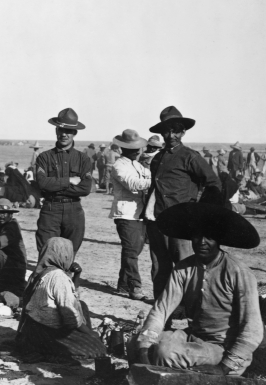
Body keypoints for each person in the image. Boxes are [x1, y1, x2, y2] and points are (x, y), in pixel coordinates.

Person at [128, 200, 262, 376]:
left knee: (166, 352)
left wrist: (223, 367)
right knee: (136, 344)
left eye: (210, 237)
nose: (202, 242)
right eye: (197, 236)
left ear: (219, 240)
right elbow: (161, 310)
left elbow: (253, 329)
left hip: (225, 348)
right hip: (194, 337)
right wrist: (144, 345)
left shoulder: (237, 272)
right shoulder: (184, 268)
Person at [144, 106, 221, 299]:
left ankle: (190, 314)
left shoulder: (190, 157)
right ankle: (163, 314)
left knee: (186, 266)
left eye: (175, 130)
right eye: (167, 131)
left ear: (183, 131)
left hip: (182, 223)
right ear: (162, 133)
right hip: (157, 220)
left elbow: (213, 183)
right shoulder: (157, 159)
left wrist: (199, 212)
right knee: (160, 268)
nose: (171, 135)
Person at [16, 237, 106, 360]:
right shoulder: (58, 277)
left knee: (82, 305)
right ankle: (48, 350)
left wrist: (77, 275)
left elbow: (70, 295)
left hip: (33, 326)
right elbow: (69, 314)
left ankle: (81, 338)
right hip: (46, 332)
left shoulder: (40, 271)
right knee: (98, 350)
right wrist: (90, 333)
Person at [35, 108, 93, 258]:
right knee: (47, 253)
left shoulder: (83, 159)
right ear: (56, 130)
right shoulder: (44, 157)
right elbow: (42, 183)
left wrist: (54, 186)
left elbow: (85, 188)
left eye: (68, 131)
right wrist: (69, 181)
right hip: (50, 210)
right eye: (61, 130)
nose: (64, 134)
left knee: (69, 255)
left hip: (74, 211)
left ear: (75, 133)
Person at [109, 130, 151, 300]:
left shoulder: (138, 165)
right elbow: (132, 183)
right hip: (125, 214)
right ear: (124, 149)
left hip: (139, 213)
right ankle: (135, 286)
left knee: (134, 250)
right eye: (134, 148)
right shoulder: (119, 165)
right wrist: (155, 181)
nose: (137, 151)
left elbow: (147, 177)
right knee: (131, 251)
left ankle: (123, 285)